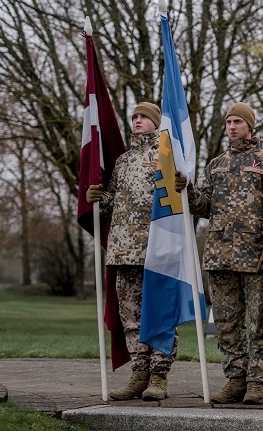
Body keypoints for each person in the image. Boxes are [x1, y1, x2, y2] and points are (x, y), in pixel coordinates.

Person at [179, 102, 263, 406]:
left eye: (238, 121)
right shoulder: (215, 165)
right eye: (228, 121)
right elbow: (202, 206)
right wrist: (186, 190)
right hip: (219, 255)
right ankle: (236, 379)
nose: (232, 126)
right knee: (226, 323)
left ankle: (256, 382)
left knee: (258, 321)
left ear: (250, 125)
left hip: (254, 256)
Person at [86, 102, 178, 401]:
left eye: (143, 117)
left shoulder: (167, 157)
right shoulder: (123, 162)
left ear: (155, 122)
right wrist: (99, 197)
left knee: (161, 313)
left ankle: (159, 376)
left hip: (157, 250)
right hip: (124, 251)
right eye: (135, 117)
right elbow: (114, 204)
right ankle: (139, 373)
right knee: (131, 317)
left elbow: (178, 202)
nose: (137, 121)